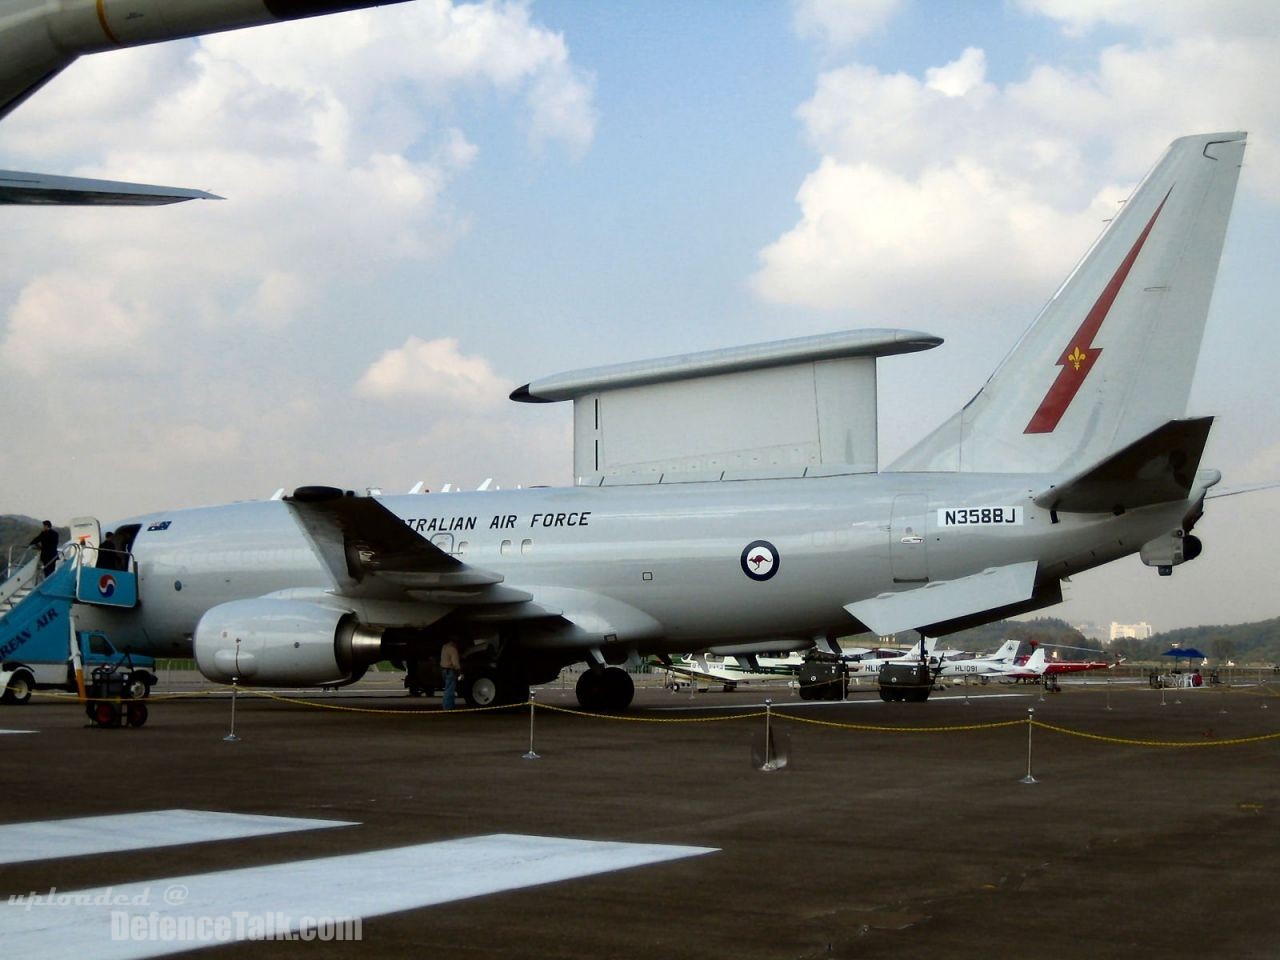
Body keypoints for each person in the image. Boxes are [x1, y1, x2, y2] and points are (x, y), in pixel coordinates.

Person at [440, 638, 461, 710]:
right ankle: (447, 707)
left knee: (448, 688)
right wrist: (459, 671)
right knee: (449, 690)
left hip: (443, 669)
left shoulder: (444, 646)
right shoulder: (453, 649)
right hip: (450, 671)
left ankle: (450, 705)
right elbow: (455, 663)